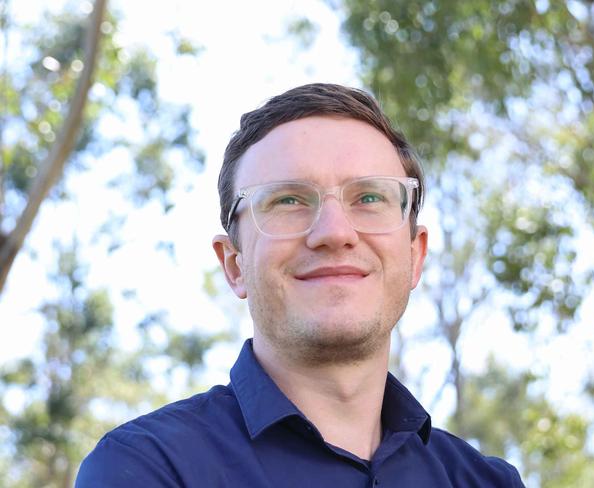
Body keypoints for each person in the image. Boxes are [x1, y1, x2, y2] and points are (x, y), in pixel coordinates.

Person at [76, 83, 525, 487]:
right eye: (288, 200)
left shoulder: (487, 482)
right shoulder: (146, 469)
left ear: (415, 255)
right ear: (233, 264)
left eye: (369, 197)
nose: (334, 231)